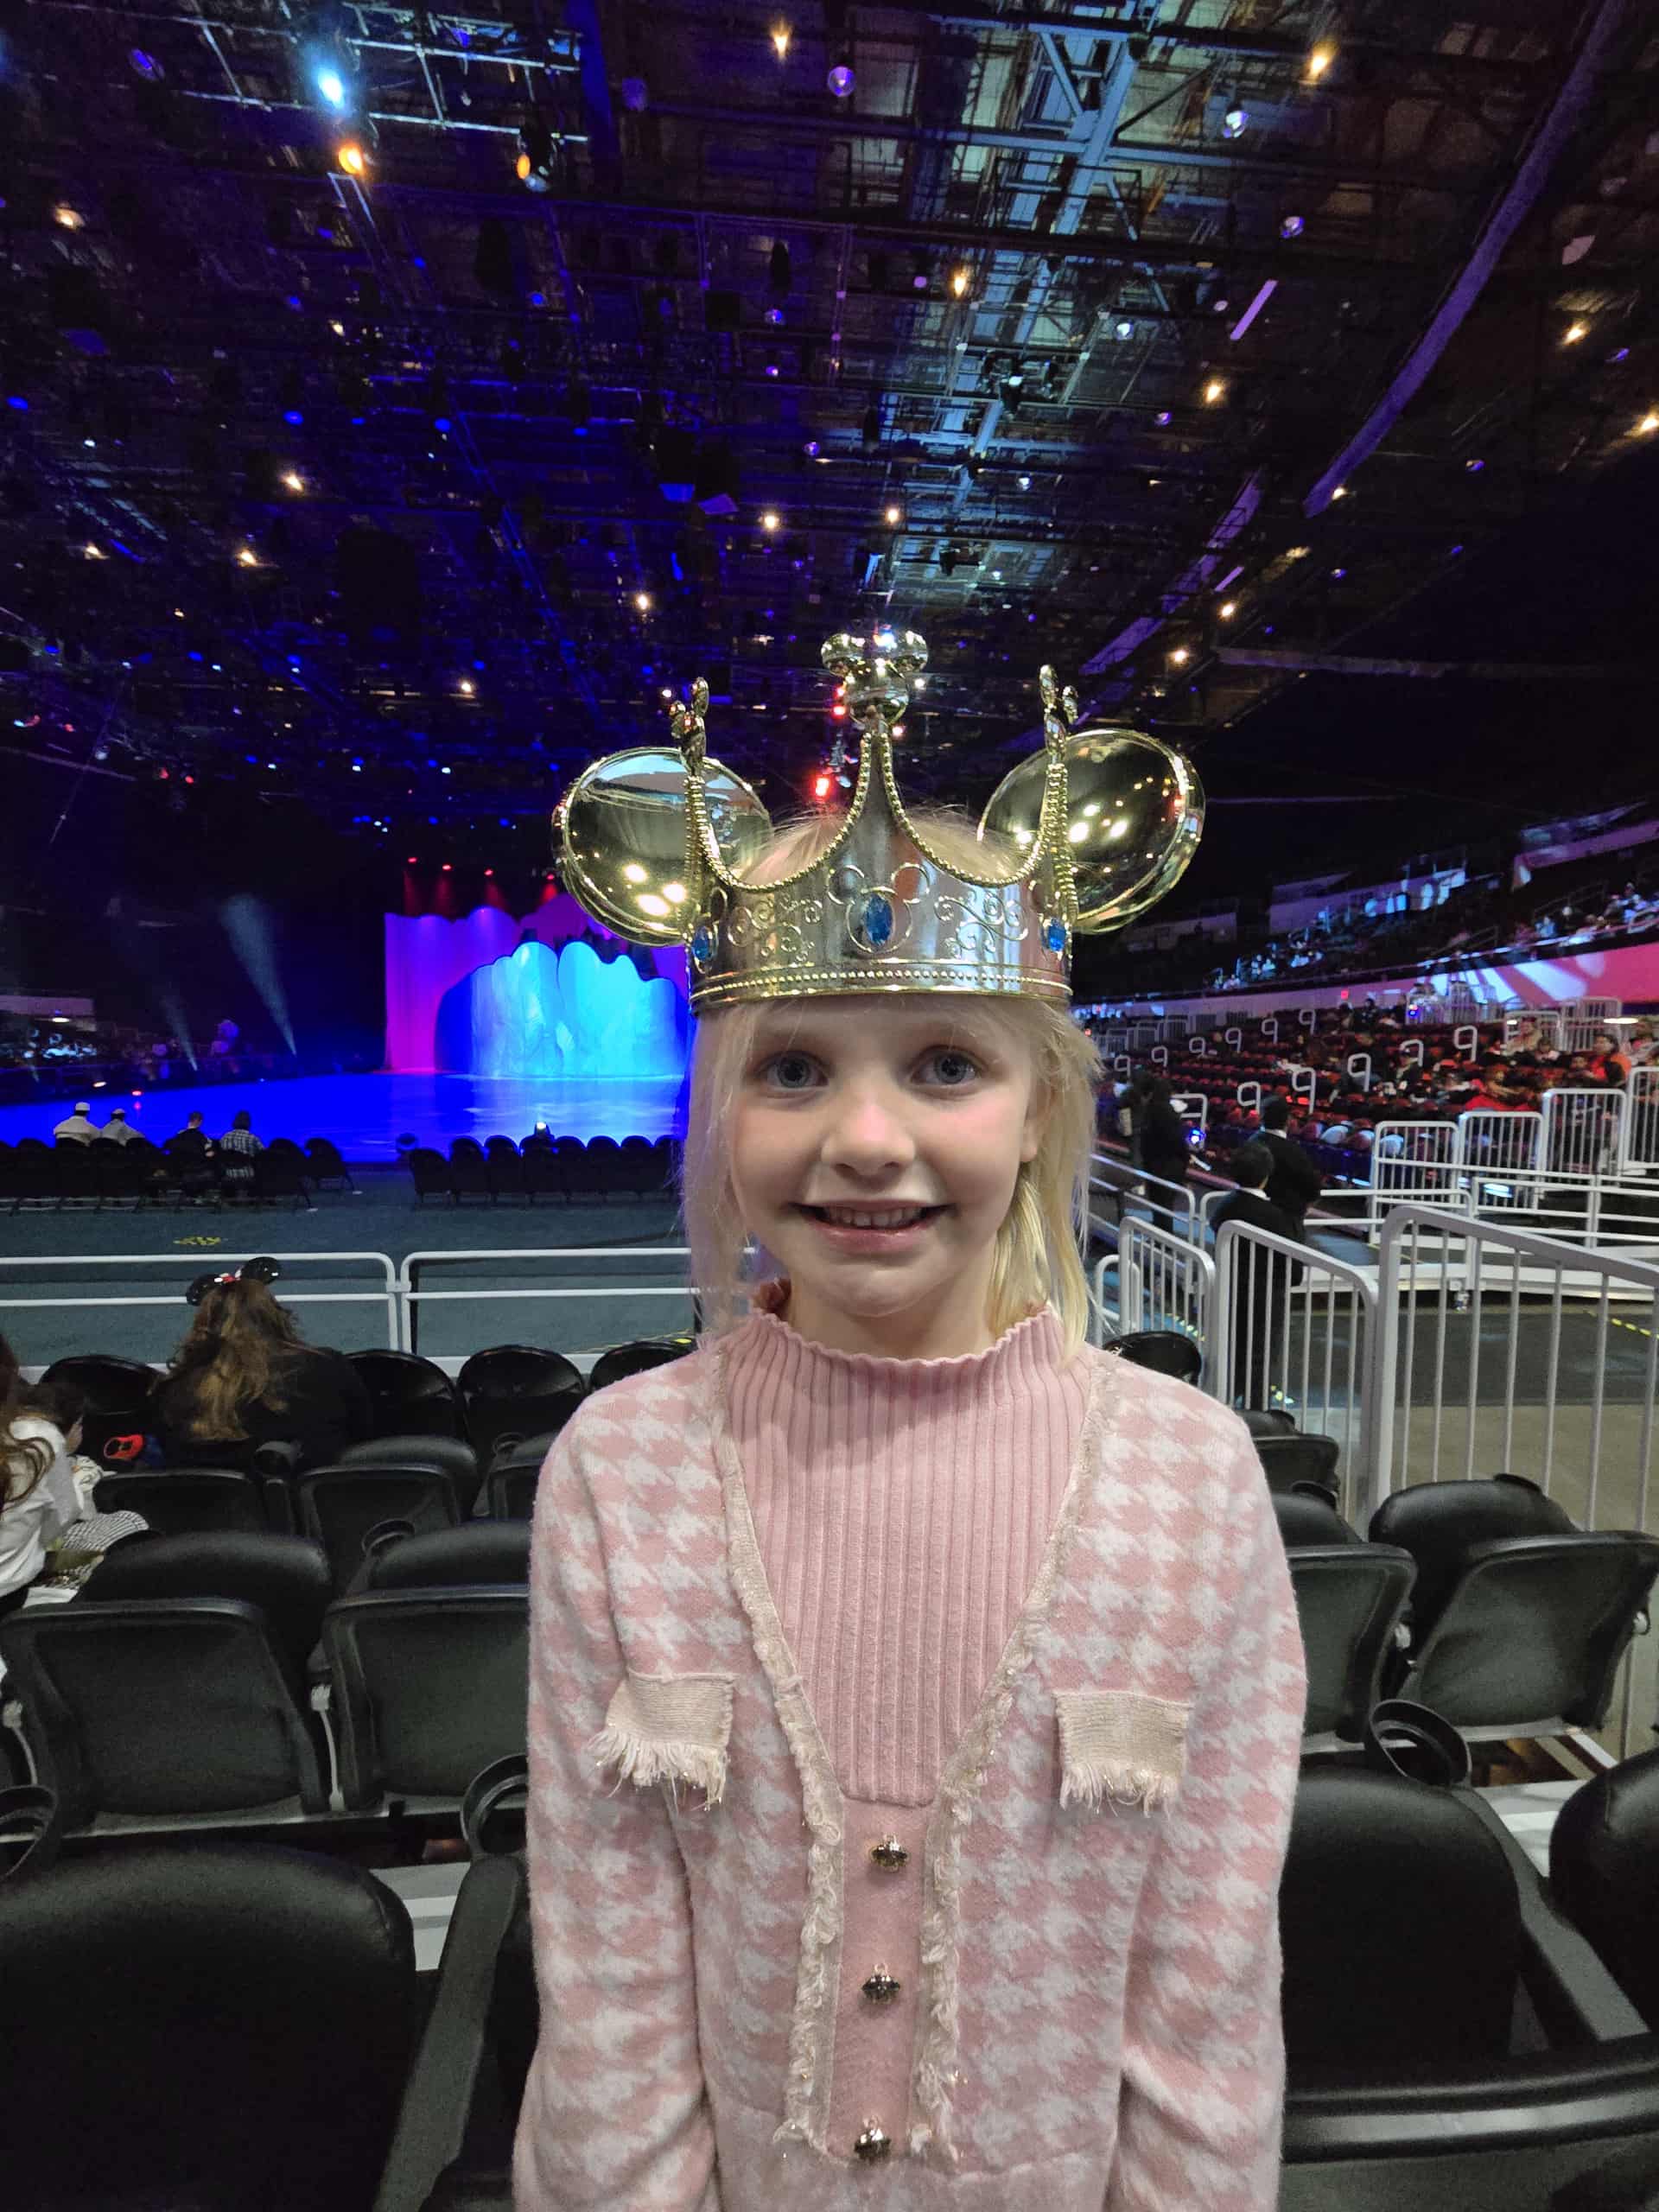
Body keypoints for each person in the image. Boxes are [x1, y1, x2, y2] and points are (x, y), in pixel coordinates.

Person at [512, 640, 1306, 2210]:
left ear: (1040, 1112)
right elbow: (608, 1989)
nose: (867, 1139)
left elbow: (1207, 1989)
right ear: (723, 1112)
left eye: (946, 1066)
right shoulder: (623, 1468)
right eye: (795, 1069)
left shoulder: (1190, 1475)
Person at [149, 1262, 374, 1474]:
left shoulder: (173, 1389)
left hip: (207, 1503)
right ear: (275, 1316)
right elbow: (363, 1432)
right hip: (311, 1501)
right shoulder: (326, 1366)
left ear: (205, 1325)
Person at [1211, 1143, 1305, 1410]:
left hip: (1232, 1290)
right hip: (1266, 1296)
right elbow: (1293, 1270)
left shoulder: (1225, 1207)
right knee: (1261, 1359)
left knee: (1233, 1353)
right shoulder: (1277, 1218)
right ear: (1267, 1173)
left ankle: (1225, 1407)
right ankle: (1257, 1414)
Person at [1256, 1093, 1323, 1236]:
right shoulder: (1293, 1151)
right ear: (1288, 1120)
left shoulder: (1251, 1142)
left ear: (1261, 1117)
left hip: (1253, 1216)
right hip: (1285, 1222)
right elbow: (1313, 1189)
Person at [164, 1109, 218, 1202]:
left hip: (182, 1170)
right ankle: (200, 1196)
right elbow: (209, 1154)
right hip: (199, 1170)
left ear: (189, 1120)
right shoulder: (202, 1137)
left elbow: (169, 1150)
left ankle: (192, 1196)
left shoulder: (178, 1136)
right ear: (200, 1121)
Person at [218, 1108, 264, 1197]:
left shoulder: (224, 1137)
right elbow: (264, 1155)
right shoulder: (252, 1138)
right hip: (249, 1176)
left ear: (235, 1122)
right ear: (248, 1123)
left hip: (229, 1175)